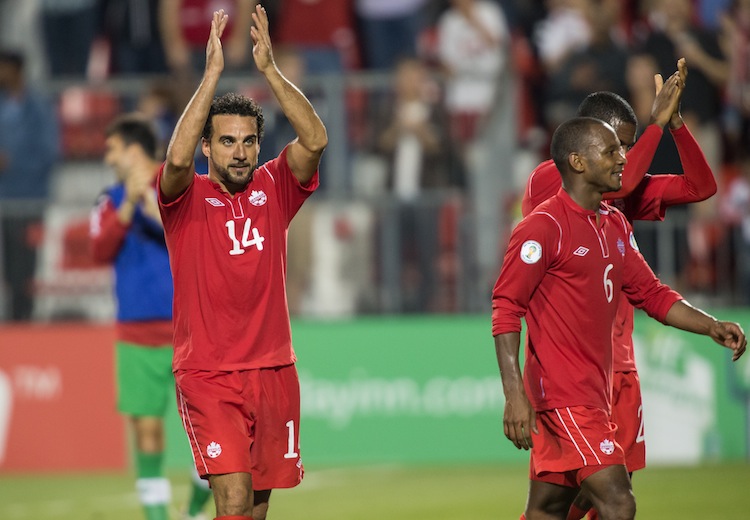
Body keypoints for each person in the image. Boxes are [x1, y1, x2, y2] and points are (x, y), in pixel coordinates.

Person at [491, 117, 746, 520]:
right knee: (618, 502)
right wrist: (513, 395)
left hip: (596, 392)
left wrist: (710, 324)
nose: (623, 159)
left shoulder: (613, 224)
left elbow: (651, 293)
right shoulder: (543, 227)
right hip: (563, 394)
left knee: (549, 510)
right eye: (611, 151)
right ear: (577, 162)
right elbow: (506, 307)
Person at [157, 6, 327, 520]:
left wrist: (270, 71)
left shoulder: (276, 187)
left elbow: (315, 140)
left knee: (254, 508)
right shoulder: (185, 198)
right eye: (227, 141)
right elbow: (178, 162)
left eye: (249, 141)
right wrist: (210, 75)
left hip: (274, 370)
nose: (240, 152)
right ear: (210, 145)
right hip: (209, 374)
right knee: (230, 501)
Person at [89, 114, 212, 520]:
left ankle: (193, 510)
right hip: (137, 336)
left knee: (211, 433)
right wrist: (127, 204)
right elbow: (100, 251)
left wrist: (146, 198)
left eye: (112, 149)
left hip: (190, 332)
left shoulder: (178, 187)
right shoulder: (107, 200)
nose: (108, 158)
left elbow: (188, 233)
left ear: (132, 149)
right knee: (147, 432)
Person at [0, 49, 59, 320]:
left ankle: (24, 316)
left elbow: (50, 151)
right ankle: (11, 316)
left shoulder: (38, 105)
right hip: (5, 198)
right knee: (8, 263)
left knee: (26, 261)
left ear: (17, 70)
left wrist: (13, 162)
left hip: (30, 198)